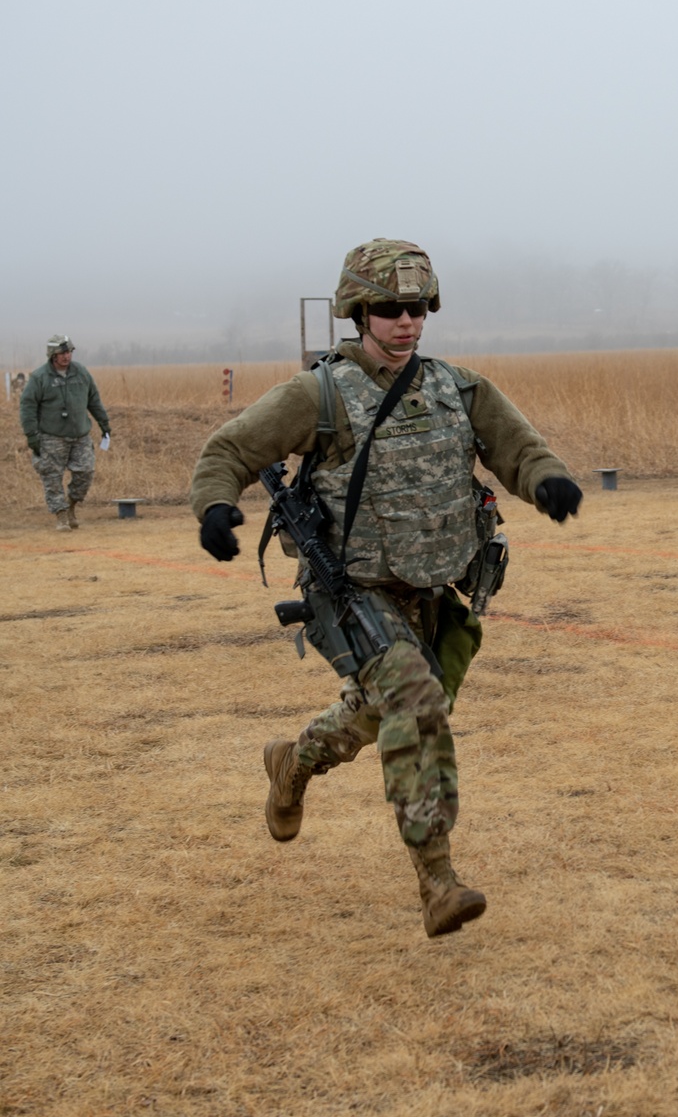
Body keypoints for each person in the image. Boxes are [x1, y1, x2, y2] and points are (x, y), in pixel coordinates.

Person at [191, 238, 582, 938]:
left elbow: (516, 445)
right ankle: (438, 880)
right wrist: (215, 507)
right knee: (414, 698)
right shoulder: (318, 394)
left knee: (394, 712)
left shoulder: (457, 388)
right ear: (359, 312)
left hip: (434, 591)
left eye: (417, 308)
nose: (406, 322)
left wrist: (544, 479)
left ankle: (293, 761)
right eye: (390, 309)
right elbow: (229, 450)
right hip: (354, 592)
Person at [20, 335, 111, 530]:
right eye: (62, 353)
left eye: (69, 352)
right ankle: (61, 516)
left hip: (80, 435)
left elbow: (93, 400)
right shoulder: (40, 377)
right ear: (52, 355)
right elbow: (27, 406)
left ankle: (71, 505)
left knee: (85, 472)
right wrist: (31, 435)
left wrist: (104, 424)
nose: (66, 357)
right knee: (51, 477)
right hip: (51, 436)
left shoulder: (81, 373)